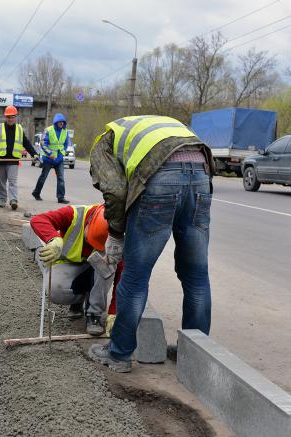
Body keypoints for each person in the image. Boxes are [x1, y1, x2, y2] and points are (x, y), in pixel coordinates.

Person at [87, 115, 215, 373]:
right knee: (196, 275)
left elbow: (114, 189)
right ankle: (194, 355)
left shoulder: (104, 142)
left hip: (161, 178)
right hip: (201, 173)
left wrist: (115, 232)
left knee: (135, 277)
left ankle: (119, 353)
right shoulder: (151, 125)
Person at [31, 203, 115, 335]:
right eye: (91, 237)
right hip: (72, 266)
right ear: (89, 222)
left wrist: (113, 313)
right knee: (55, 289)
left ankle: (94, 314)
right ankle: (79, 301)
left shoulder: (116, 234)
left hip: (96, 269)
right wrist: (53, 238)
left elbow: (122, 275)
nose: (91, 244)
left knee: (110, 263)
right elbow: (38, 220)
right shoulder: (74, 214)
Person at [0, 105, 37, 209]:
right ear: (5, 117)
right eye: (8, 117)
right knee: (0, 182)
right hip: (0, 160)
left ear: (15, 117)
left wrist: (34, 153)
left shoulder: (19, 129)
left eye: (12, 117)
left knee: (12, 181)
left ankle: (13, 200)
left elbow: (26, 142)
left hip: (13, 160)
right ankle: (2, 199)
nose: (10, 119)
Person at [32, 113, 70, 203]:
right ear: (56, 122)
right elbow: (43, 143)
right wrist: (50, 154)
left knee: (61, 178)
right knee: (43, 177)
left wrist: (62, 154)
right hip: (48, 159)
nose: (61, 124)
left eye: (63, 122)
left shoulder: (65, 131)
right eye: (59, 122)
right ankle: (36, 193)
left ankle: (60, 197)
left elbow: (66, 144)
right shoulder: (48, 130)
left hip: (59, 159)